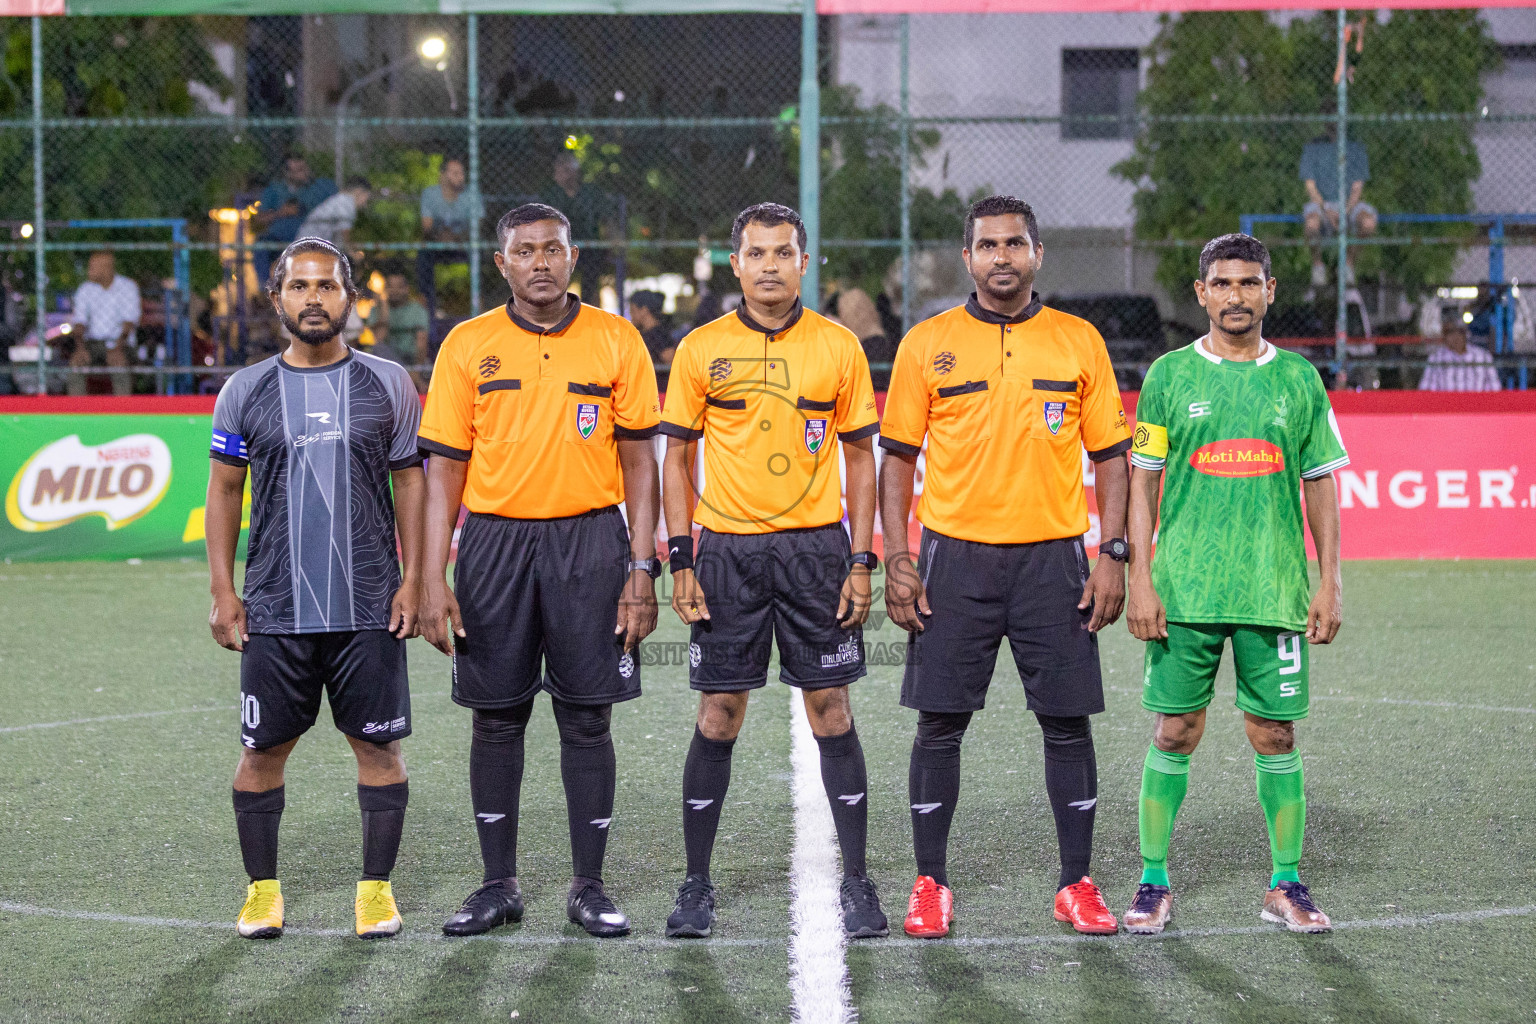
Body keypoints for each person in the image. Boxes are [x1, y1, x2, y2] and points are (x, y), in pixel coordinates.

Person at [878, 194, 1131, 940]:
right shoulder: (929, 343)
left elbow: (1112, 458)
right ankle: (930, 883)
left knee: (1066, 724)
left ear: (1037, 253)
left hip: (1055, 558)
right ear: (968, 258)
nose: (1002, 258)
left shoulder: (1079, 340)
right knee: (940, 725)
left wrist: (1111, 552)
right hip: (953, 559)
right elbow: (895, 461)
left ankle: (1076, 884)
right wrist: (899, 556)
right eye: (987, 246)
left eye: (1015, 244)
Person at [417, 202, 662, 939]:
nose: (540, 262)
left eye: (552, 248)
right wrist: (431, 576)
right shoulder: (468, 344)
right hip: (493, 545)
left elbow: (641, 465)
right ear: (503, 263)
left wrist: (642, 568)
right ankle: (498, 886)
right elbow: (442, 476)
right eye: (525, 251)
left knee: (587, 717)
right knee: (496, 718)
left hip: (592, 542)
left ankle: (589, 885)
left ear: (573, 255)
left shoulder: (618, 341)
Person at [660, 202, 888, 941]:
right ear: (736, 264)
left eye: (782, 253)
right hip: (726, 553)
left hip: (816, 551)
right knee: (718, 714)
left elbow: (860, 457)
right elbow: (677, 457)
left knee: (833, 710)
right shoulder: (700, 349)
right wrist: (681, 555)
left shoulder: (839, 347)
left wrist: (861, 557)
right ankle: (695, 883)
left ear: (803, 262)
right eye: (755, 254)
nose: (769, 267)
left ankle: (857, 882)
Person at [1124, 233, 1347, 936]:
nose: (1236, 296)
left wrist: (1329, 580)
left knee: (1274, 735)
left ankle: (1285, 883)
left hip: (1274, 589)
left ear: (1270, 291)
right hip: (1184, 590)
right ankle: (1153, 882)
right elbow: (1143, 483)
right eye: (1222, 284)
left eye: (1249, 283)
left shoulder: (1299, 381)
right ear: (1201, 293)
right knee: (1176, 729)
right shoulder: (1168, 376)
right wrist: (1140, 578)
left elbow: (1320, 485)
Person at [205, 237, 426, 942]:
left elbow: (412, 485)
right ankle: (262, 893)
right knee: (260, 753)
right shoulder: (243, 390)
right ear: (276, 300)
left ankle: (374, 893)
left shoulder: (388, 384)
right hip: (274, 609)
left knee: (379, 751)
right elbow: (224, 492)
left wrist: (418, 578)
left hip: (369, 606)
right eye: (298, 287)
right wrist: (222, 590)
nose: (313, 299)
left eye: (326, 287)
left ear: (349, 299)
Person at [1299, 132, 1377, 298]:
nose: (1332, 124)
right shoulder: (1313, 148)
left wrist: (1345, 212)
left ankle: (1348, 266)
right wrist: (1326, 210)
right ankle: (1318, 267)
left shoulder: (1356, 147)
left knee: (1368, 223)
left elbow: (1357, 188)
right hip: (1322, 205)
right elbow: (1311, 187)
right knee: (1311, 224)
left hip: (1349, 205)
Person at [252, 154, 337, 285]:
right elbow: (259, 219)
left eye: (303, 169)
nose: (302, 174)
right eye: (296, 171)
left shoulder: (321, 187)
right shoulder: (275, 190)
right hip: (279, 239)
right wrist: (282, 212)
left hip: (311, 238)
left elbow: (338, 203)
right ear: (287, 173)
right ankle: (265, 288)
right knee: (261, 244)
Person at [68, 251, 141, 396]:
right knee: (76, 364)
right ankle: (76, 412)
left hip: (122, 342)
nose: (89, 271)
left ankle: (123, 411)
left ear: (106, 268)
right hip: (94, 343)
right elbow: (79, 322)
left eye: (92, 267)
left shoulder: (127, 287)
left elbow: (128, 323)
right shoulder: (85, 289)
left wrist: (118, 348)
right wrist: (80, 348)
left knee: (119, 364)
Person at [540, 152, 613, 293]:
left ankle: (589, 310)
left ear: (574, 172)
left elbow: (606, 218)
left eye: (564, 169)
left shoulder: (591, 192)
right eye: (558, 169)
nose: (558, 174)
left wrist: (611, 241)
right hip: (559, 246)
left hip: (589, 246)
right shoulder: (551, 194)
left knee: (591, 281)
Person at [417, 157, 475, 323]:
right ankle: (427, 304)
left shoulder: (471, 194)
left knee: (480, 254)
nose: (460, 177)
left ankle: (480, 301)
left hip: (463, 245)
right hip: (437, 244)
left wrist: (456, 237)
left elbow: (477, 226)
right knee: (423, 256)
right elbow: (426, 226)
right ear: (443, 175)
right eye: (454, 173)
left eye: (462, 173)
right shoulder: (430, 193)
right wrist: (440, 236)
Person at [365, 271, 431, 381]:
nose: (394, 291)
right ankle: (408, 379)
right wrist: (384, 307)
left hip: (412, 361)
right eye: (390, 287)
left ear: (406, 289)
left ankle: (410, 378)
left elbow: (422, 343)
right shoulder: (376, 310)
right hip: (386, 362)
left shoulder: (417, 310)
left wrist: (416, 370)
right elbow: (379, 339)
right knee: (378, 348)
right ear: (385, 288)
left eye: (399, 287)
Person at [1420, 312, 1500, 392]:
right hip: (1446, 403)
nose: (1456, 336)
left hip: (1477, 403)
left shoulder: (1483, 357)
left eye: (1459, 331)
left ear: (1465, 334)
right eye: (1450, 332)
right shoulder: (1435, 358)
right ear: (1444, 336)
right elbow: (1427, 391)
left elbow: (1495, 390)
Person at [299, 178, 371, 251]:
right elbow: (345, 234)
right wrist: (353, 253)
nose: (365, 203)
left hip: (308, 243)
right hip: (308, 246)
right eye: (366, 197)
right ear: (359, 192)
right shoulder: (347, 203)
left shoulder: (341, 199)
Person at [627, 289, 674, 364]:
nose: (631, 315)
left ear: (644, 310)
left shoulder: (659, 335)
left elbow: (670, 360)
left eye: (633, 310)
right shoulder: (644, 334)